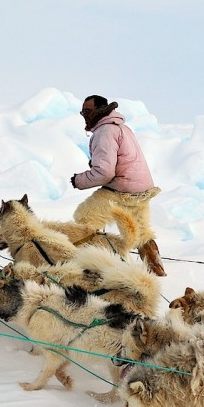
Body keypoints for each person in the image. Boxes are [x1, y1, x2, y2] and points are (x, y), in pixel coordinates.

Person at [70, 94, 166, 276]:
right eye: (82, 111)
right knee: (140, 232)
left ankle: (95, 265)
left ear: (100, 110)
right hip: (141, 190)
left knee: (85, 218)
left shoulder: (105, 132)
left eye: (87, 111)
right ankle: (156, 269)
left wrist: (79, 180)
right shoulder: (122, 128)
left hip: (121, 189)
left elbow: (104, 172)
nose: (84, 115)